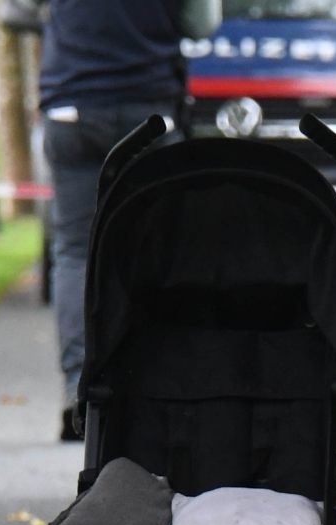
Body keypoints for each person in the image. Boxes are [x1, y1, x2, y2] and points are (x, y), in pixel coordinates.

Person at [29, 0, 221, 440]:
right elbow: (203, 22)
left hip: (71, 107)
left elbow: (17, 11)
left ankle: (79, 392)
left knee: (76, 252)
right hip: (149, 110)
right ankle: (151, 392)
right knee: (156, 250)